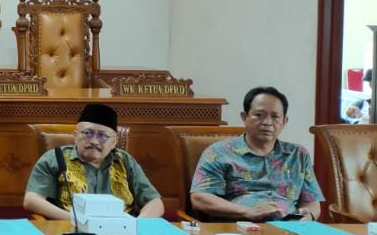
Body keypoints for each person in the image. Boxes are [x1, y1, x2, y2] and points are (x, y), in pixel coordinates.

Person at [190, 86, 323, 222]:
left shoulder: (298, 154)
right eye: (259, 115)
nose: (267, 122)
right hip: (239, 226)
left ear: (284, 121)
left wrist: (308, 217)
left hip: (289, 228)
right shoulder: (219, 152)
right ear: (244, 117)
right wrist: (247, 212)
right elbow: (200, 198)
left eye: (275, 117)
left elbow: (312, 203)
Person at [23, 103, 165, 219]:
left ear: (114, 142)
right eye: (87, 133)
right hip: (71, 229)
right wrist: (73, 219)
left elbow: (155, 202)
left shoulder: (125, 161)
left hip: (121, 232)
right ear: (75, 135)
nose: (94, 141)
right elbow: (31, 200)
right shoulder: (55, 158)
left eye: (102, 136)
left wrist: (137, 225)